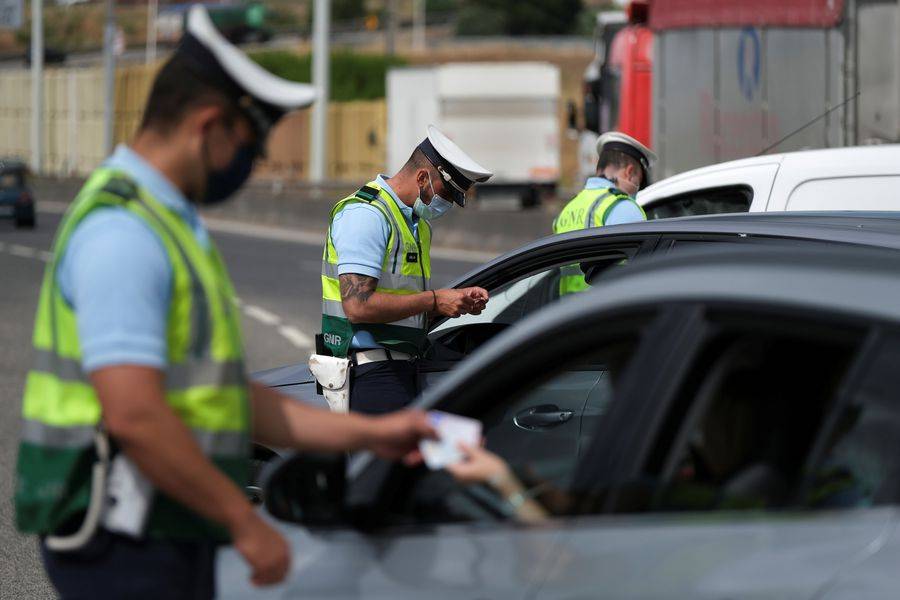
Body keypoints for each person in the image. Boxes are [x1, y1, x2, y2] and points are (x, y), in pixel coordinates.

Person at [14, 7, 435, 598]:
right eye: (252, 143)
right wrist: (244, 523)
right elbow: (135, 414)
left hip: (163, 524)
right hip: (124, 535)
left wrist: (369, 436)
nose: (255, 162)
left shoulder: (166, 220)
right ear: (209, 125)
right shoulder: (125, 232)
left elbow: (221, 394)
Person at [320, 125, 493, 415]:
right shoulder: (367, 214)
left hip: (403, 367)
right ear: (423, 177)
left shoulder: (417, 226)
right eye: (447, 193)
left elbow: (401, 307)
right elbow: (358, 307)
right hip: (370, 373)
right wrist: (435, 299)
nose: (447, 204)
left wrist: (454, 302)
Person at [552, 131, 657, 294]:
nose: (638, 188)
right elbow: (642, 274)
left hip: (568, 312)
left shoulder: (568, 208)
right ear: (630, 172)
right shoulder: (623, 207)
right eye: (639, 181)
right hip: (604, 311)